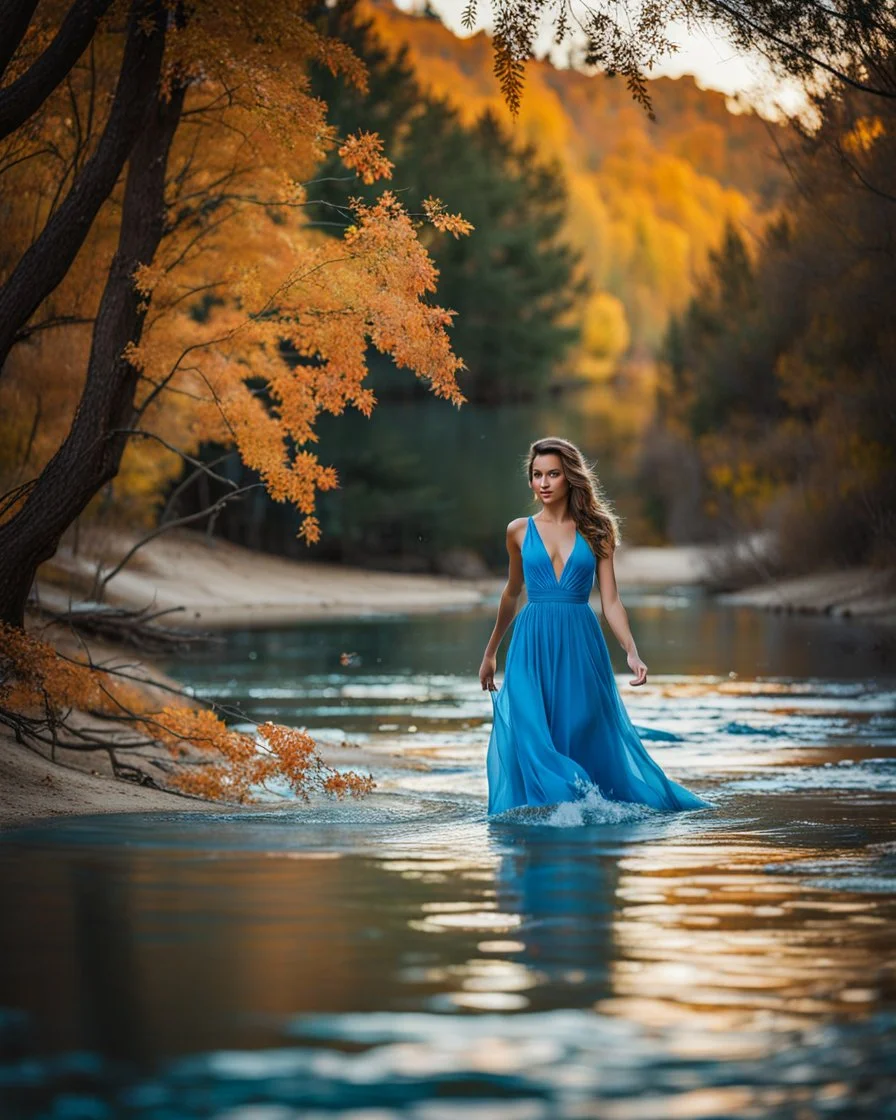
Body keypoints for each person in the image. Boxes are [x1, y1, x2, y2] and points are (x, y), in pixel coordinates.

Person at [479, 436, 710, 816]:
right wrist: (490, 654)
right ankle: (548, 816)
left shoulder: (596, 529)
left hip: (580, 643)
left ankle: (581, 816)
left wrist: (631, 650)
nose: (544, 483)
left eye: (553, 474)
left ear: (570, 477)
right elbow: (510, 594)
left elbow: (611, 601)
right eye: (537, 475)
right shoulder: (518, 531)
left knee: (582, 730)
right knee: (532, 732)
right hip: (530, 643)